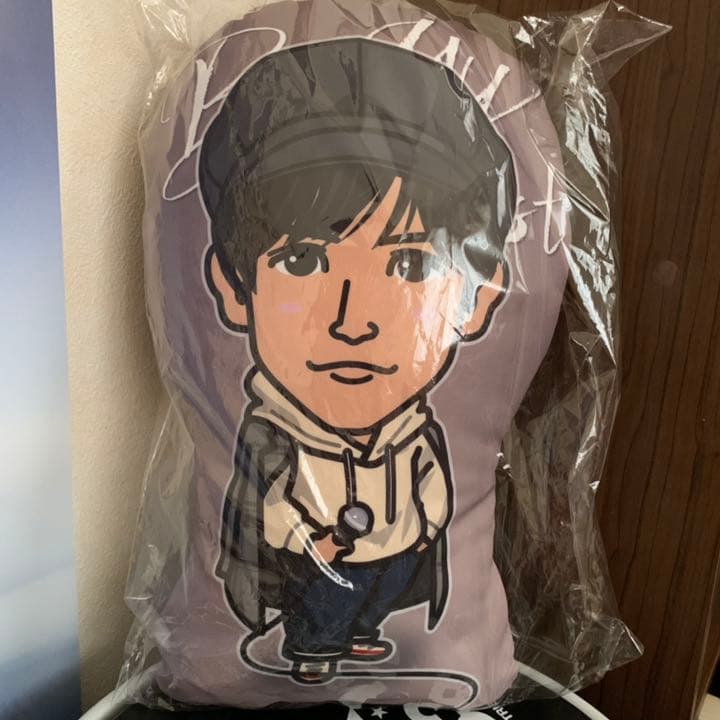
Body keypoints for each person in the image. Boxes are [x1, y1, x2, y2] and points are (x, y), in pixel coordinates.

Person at [200, 37, 516, 684]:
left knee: (376, 586)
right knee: (324, 593)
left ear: (477, 300)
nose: (351, 322)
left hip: (394, 549)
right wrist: (305, 538)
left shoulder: (414, 435)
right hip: (318, 552)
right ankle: (313, 648)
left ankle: (363, 631)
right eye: (303, 260)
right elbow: (267, 508)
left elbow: (430, 483)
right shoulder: (272, 440)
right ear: (234, 289)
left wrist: (426, 527)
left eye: (410, 266)